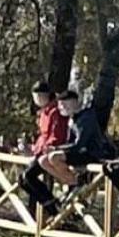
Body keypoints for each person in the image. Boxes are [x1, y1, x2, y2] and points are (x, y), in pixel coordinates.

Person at [37, 90, 114, 211]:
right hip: (79, 153)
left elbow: (79, 144)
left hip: (93, 154)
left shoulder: (86, 117)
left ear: (75, 103)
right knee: (43, 161)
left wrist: (56, 149)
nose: (62, 108)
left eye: (65, 105)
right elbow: (69, 143)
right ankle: (72, 182)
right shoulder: (71, 120)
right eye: (61, 105)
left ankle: (77, 183)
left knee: (54, 157)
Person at [18, 82, 69, 215]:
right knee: (22, 180)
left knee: (28, 176)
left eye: (41, 96)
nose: (38, 99)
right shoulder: (43, 113)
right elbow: (42, 137)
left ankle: (53, 207)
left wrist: (41, 150)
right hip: (41, 152)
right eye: (36, 97)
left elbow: (56, 136)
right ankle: (49, 205)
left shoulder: (55, 112)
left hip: (52, 153)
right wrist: (31, 148)